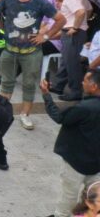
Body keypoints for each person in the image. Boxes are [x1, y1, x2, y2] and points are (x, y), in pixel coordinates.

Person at [0, 0, 64, 130]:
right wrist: (1, 27)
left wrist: (45, 36)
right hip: (9, 50)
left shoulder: (40, 3)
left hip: (31, 52)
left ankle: (25, 115)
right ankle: (2, 113)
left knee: (28, 85)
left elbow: (61, 20)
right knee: (6, 82)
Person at [40, 70, 100, 217]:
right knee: (93, 199)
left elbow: (59, 117)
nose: (82, 82)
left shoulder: (84, 108)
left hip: (76, 161)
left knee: (68, 198)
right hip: (97, 164)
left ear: (94, 87)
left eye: (86, 80)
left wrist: (46, 95)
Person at [51, 0, 91, 101]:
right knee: (65, 60)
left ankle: (75, 91)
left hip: (73, 32)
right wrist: (83, 23)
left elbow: (80, 12)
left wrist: (76, 26)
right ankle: (58, 85)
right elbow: (89, 9)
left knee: (72, 62)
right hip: (72, 31)